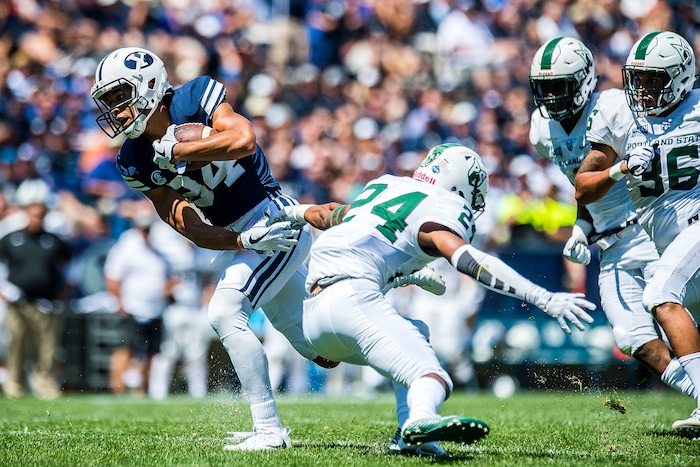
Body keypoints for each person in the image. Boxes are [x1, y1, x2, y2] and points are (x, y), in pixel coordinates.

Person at [89, 46, 436, 450]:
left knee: (225, 310)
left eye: (120, 97)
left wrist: (180, 151)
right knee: (319, 344)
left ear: (149, 85)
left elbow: (244, 140)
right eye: (109, 102)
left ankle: (269, 429)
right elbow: (186, 223)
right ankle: (409, 342)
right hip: (246, 237)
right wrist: (239, 240)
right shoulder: (133, 159)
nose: (116, 111)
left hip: (274, 218)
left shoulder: (194, 97)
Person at [274, 143, 596, 456]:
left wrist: (292, 211)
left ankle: (409, 434)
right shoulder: (442, 203)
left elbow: (336, 218)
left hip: (315, 316)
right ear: (458, 183)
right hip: (352, 301)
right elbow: (473, 262)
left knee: (418, 330)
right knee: (434, 378)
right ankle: (422, 419)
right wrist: (543, 297)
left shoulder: (384, 185)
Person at [529, 37, 698, 410]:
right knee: (630, 336)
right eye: (545, 88)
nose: (553, 97)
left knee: (673, 305)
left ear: (585, 80)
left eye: (561, 86)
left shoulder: (616, 105)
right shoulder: (542, 130)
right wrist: (581, 228)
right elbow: (583, 187)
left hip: (647, 229)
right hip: (611, 241)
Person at [574, 30, 700, 436]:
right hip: (671, 244)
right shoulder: (619, 114)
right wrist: (621, 168)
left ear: (681, 77)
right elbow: (583, 185)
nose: (642, 89)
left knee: (659, 295)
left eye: (654, 79)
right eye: (638, 78)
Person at [0, 179, 71, 400]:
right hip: (18, 301)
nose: (36, 218)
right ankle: (15, 384)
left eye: (40, 214)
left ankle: (44, 383)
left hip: (46, 301)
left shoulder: (53, 240)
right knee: (16, 344)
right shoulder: (11, 238)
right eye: (33, 213)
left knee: (48, 348)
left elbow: (67, 267)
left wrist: (63, 292)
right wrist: (4, 291)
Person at [103, 208, 178, 396]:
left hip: (155, 309)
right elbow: (112, 278)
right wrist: (120, 304)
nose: (146, 232)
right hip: (132, 308)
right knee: (125, 348)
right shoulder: (125, 248)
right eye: (143, 228)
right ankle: (117, 390)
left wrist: (168, 289)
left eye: (148, 228)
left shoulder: (158, 251)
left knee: (151, 353)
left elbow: (170, 278)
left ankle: (142, 391)